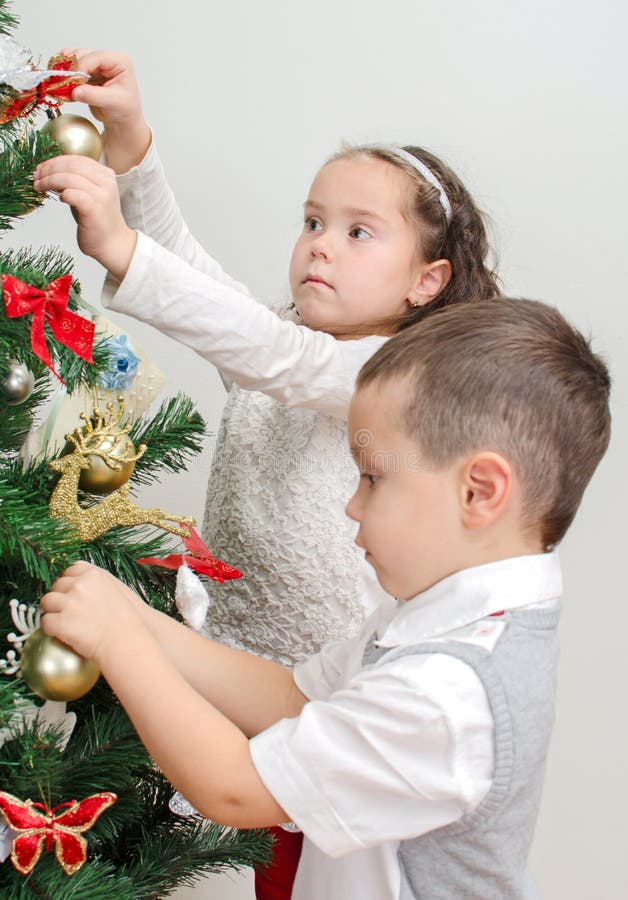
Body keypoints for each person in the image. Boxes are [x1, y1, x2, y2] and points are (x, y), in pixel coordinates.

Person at [32, 49, 499, 895]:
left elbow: (263, 348)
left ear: (429, 281)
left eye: (358, 232)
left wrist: (122, 249)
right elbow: (218, 299)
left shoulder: (392, 380)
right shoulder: (284, 346)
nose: (320, 247)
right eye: (312, 222)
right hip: (231, 679)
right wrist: (135, 148)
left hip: (330, 714)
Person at [40, 297, 611, 899]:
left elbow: (235, 786)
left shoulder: (446, 695)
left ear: (479, 493)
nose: (351, 505)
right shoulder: (436, 610)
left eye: (372, 478)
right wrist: (141, 620)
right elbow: (292, 697)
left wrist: (122, 644)